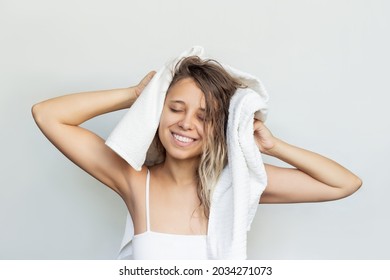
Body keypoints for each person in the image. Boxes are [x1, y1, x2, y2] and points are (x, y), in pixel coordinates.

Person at [32, 56, 362, 259]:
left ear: (221, 127)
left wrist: (274, 146)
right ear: (157, 113)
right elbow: (47, 114)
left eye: (204, 117)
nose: (186, 123)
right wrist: (135, 95)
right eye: (175, 108)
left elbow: (344, 184)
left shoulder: (236, 185)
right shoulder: (134, 180)